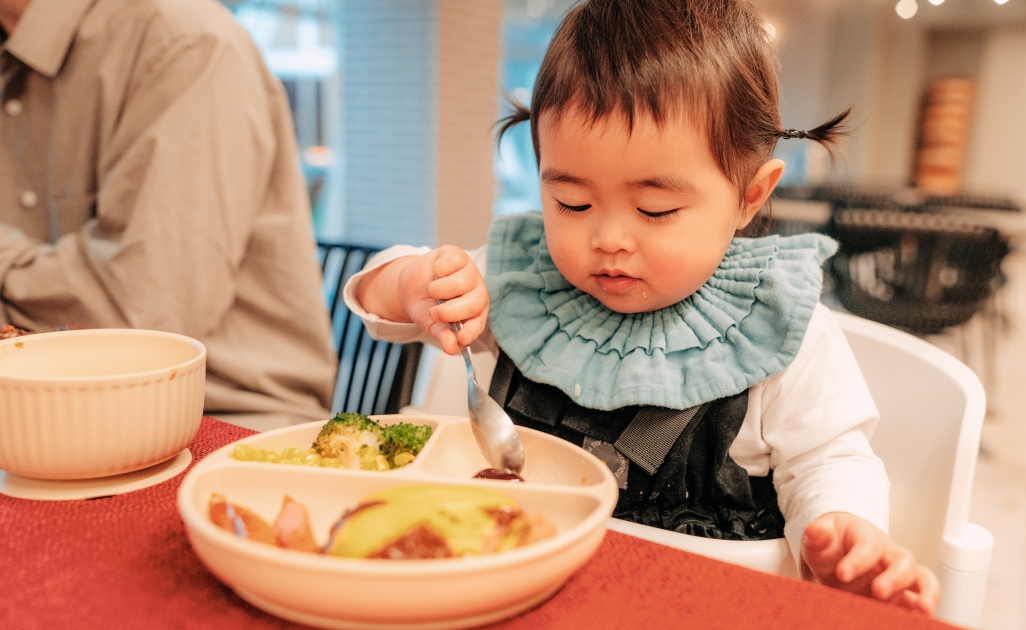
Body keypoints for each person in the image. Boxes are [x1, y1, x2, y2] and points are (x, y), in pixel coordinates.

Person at [345, 0, 939, 613]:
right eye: (572, 203)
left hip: (702, 609)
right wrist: (413, 282)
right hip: (518, 594)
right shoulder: (527, 282)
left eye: (655, 210)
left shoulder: (776, 328)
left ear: (749, 196)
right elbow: (376, 302)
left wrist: (844, 530)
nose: (608, 239)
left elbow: (830, 460)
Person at [0, 0, 336, 427]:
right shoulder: (15, 53)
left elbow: (144, 319)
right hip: (54, 407)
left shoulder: (184, 39)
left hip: (222, 418)